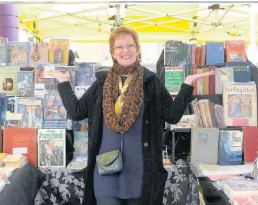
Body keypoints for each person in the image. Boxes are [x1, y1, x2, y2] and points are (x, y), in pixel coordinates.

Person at [48, 26, 214, 205]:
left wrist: (187, 86)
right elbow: (77, 111)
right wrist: (64, 83)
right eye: (119, 47)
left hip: (140, 172)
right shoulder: (101, 83)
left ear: (138, 50)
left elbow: (172, 116)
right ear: (112, 52)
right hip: (106, 171)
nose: (125, 51)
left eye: (130, 46)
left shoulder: (151, 82)